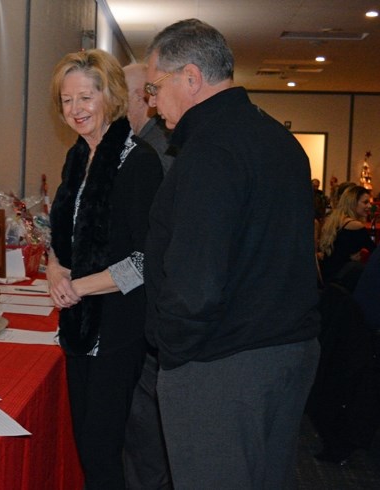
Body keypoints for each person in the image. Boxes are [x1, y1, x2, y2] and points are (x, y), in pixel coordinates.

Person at [143, 19, 320, 489]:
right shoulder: (279, 140)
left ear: (192, 78)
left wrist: (172, 351)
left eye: (155, 87)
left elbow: (194, 279)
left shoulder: (210, 151)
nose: (152, 102)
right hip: (287, 351)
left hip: (222, 366)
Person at [47, 49, 163, 490]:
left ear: (110, 96)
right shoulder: (78, 159)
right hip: (78, 324)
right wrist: (55, 271)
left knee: (101, 451)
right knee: (87, 447)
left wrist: (77, 286)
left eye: (84, 97)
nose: (75, 109)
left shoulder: (139, 163)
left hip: (118, 330)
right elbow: (61, 238)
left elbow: (145, 262)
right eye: (66, 100)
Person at [121, 62, 173, 490]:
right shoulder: (145, 147)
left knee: (143, 432)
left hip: (147, 309)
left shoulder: (153, 155)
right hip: (143, 303)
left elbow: (144, 253)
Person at [123, 63, 175, 175]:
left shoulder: (153, 147)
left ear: (139, 97)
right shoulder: (160, 137)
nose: (114, 104)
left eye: (119, 96)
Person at [320, 185, 375, 284]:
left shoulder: (335, 221)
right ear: (353, 203)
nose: (369, 206)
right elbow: (374, 252)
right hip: (342, 280)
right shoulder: (355, 225)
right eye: (365, 202)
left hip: (328, 277)